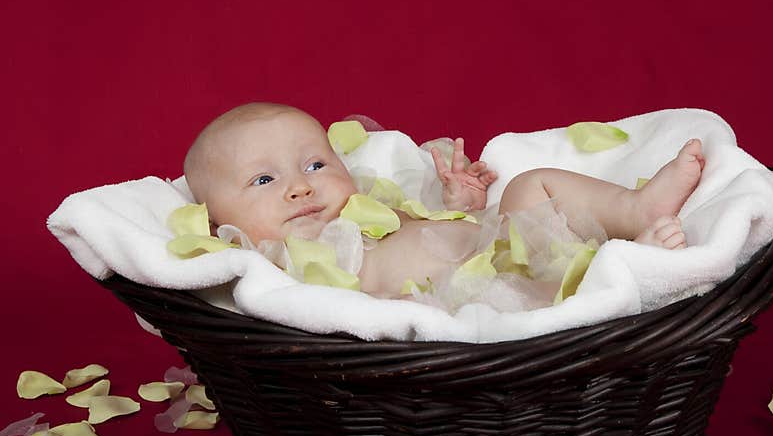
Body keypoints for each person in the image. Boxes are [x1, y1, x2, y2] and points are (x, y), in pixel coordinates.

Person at [183, 103, 704, 299]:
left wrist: (463, 202)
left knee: (531, 185)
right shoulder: (267, 262)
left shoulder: (366, 204)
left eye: (316, 165)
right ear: (216, 222)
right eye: (263, 181)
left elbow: (434, 226)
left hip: (497, 253)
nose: (299, 187)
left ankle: (636, 212)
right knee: (558, 296)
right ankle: (629, 272)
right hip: (462, 309)